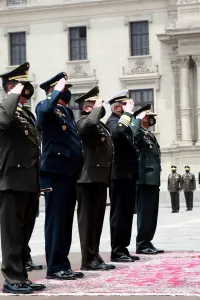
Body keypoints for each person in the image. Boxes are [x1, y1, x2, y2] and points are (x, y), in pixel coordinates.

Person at [0, 62, 45, 294]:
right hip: (11, 181)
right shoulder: (1, 109)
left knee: (23, 235)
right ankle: (11, 279)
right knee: (12, 234)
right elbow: (3, 122)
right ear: (11, 87)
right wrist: (12, 93)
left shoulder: (26, 114)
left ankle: (21, 276)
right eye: (21, 86)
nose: (26, 90)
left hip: (28, 182)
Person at [36, 72, 84, 280]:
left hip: (68, 173)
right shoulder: (45, 107)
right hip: (55, 172)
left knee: (65, 221)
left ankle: (63, 263)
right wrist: (55, 91)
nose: (67, 91)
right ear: (53, 90)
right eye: (63, 88)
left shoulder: (65, 111)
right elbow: (45, 110)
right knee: (56, 221)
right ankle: (54, 266)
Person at [75, 86, 116, 271]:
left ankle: (94, 255)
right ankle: (87, 258)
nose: (100, 106)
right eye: (95, 104)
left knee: (97, 220)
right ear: (86, 107)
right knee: (88, 221)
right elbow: (86, 128)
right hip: (87, 178)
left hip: (99, 177)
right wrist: (96, 109)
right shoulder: (84, 121)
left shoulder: (101, 126)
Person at [106, 90, 140, 263]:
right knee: (119, 214)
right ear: (118, 106)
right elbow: (117, 134)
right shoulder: (112, 121)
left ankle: (123, 248)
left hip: (127, 175)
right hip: (118, 176)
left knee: (127, 214)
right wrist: (127, 114)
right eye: (124, 105)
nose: (128, 108)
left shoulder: (123, 124)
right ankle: (117, 250)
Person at [133, 107, 164, 255]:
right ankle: (141, 243)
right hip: (144, 178)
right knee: (145, 213)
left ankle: (147, 241)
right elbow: (133, 135)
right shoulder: (138, 132)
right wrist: (137, 119)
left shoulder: (149, 133)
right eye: (147, 116)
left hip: (152, 178)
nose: (150, 119)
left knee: (152, 213)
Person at [21, 104, 43, 272]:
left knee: (28, 222)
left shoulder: (30, 119)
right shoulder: (6, 111)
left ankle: (25, 256)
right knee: (20, 224)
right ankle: (20, 259)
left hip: (33, 176)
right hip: (20, 175)